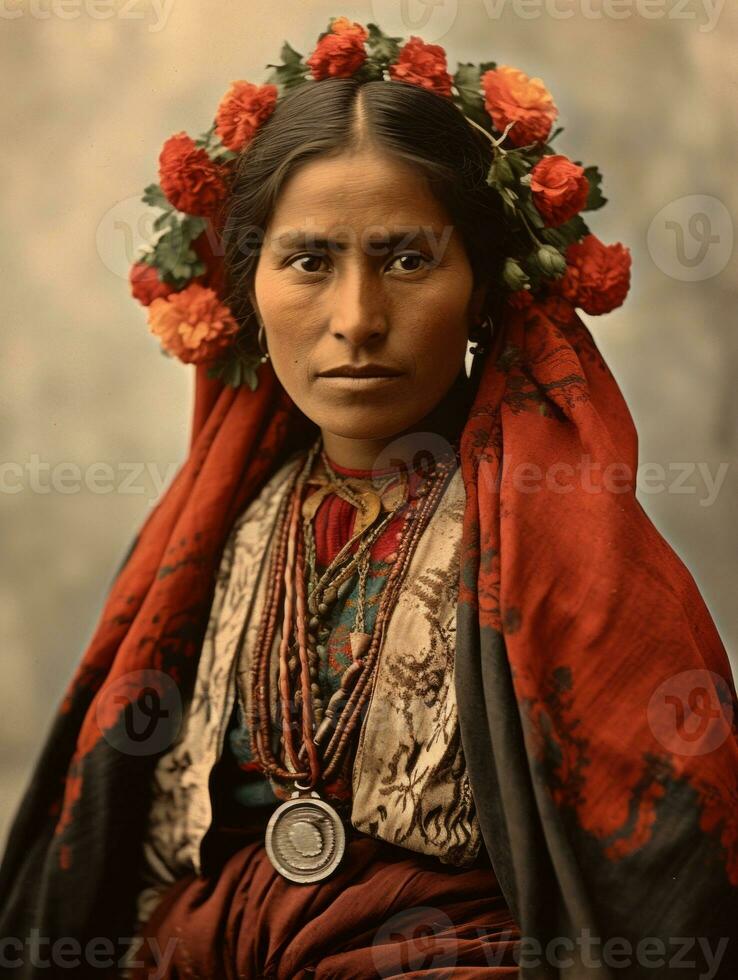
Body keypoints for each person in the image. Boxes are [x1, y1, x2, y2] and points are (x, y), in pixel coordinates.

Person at [1, 17, 736, 980]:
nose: (356, 320)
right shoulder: (227, 532)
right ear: (249, 290)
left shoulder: (563, 548)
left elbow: (672, 888)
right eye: (309, 262)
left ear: (481, 291)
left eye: (406, 260)